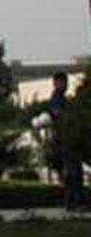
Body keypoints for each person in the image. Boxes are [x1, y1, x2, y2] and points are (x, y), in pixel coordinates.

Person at [49, 72, 85, 211]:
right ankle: (75, 202)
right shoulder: (57, 98)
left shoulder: (62, 97)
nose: (66, 85)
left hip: (68, 139)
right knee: (73, 171)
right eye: (63, 82)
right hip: (64, 140)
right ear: (57, 83)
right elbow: (57, 113)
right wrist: (71, 118)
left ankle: (73, 202)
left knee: (74, 171)